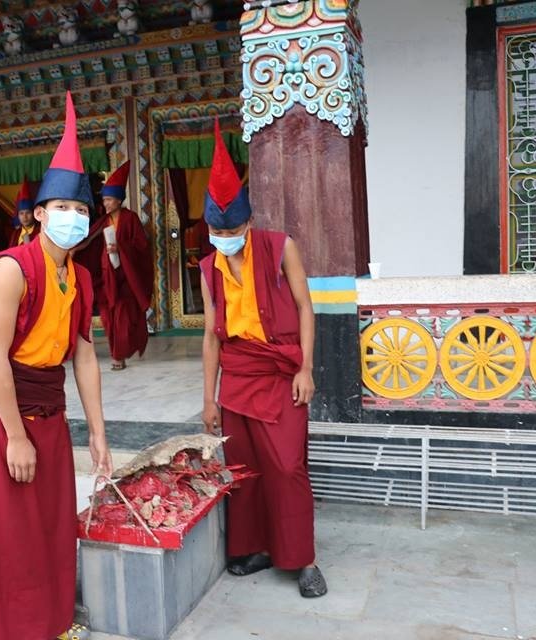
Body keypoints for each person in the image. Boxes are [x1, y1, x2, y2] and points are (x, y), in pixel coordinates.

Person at [0, 91, 112, 640]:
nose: (73, 217)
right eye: (63, 208)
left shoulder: (82, 277)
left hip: (49, 408)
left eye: (82, 210)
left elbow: (85, 354)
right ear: (40, 213)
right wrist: (15, 436)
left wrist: (98, 432)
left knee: (49, 525)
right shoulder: (11, 269)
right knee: (4, 532)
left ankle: (50, 623)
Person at [199, 120, 327, 598]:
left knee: (288, 466)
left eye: (232, 229)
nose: (224, 236)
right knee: (245, 470)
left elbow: (305, 307)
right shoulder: (209, 267)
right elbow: (211, 335)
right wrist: (208, 399)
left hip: (279, 373)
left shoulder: (279, 247)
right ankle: (256, 548)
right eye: (217, 230)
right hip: (237, 378)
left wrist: (306, 368)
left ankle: (303, 558)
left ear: (249, 223)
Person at [76, 161, 154, 370]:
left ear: (119, 200)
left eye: (109, 199)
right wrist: (72, 252)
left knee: (121, 318)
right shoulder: (103, 221)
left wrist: (121, 248)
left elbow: (141, 246)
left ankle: (118, 356)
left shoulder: (130, 219)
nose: (106, 203)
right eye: (104, 200)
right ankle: (116, 353)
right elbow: (89, 242)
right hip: (106, 276)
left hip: (126, 278)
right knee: (108, 318)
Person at [9, 177, 41, 247]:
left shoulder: (40, 232)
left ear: (34, 214)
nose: (24, 217)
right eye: (21, 213)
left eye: (28, 213)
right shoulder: (16, 233)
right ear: (18, 216)